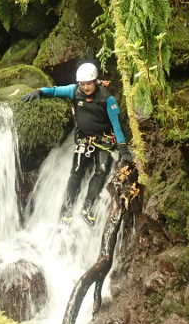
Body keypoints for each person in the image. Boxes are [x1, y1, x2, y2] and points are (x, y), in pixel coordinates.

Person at [21, 62, 133, 225]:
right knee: (77, 171)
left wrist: (123, 148)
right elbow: (54, 91)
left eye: (88, 83)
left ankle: (87, 207)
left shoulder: (107, 99)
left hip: (104, 140)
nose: (85, 87)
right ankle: (66, 209)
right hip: (84, 139)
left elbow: (116, 124)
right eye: (82, 84)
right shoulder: (74, 91)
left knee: (101, 171)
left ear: (95, 81)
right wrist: (39, 92)